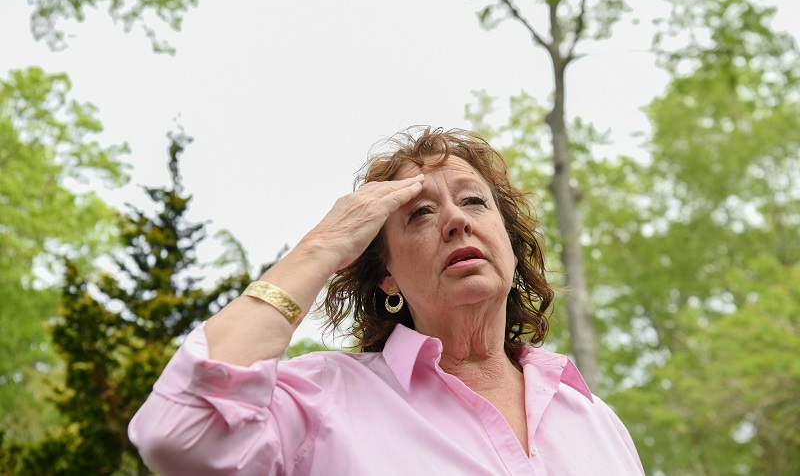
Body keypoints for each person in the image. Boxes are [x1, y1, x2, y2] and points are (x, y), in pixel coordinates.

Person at [129, 127, 644, 475]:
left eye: (473, 200)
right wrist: (321, 246)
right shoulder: (325, 400)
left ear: (511, 246)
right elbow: (178, 431)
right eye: (419, 213)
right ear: (388, 277)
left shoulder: (593, 418)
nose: (456, 220)